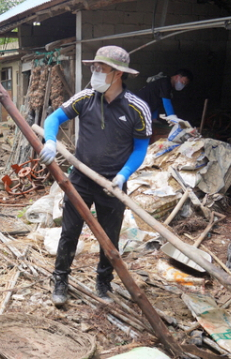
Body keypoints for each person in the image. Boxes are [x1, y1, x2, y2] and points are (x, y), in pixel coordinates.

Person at [40, 45, 151, 306]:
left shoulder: (137, 108)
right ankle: (61, 280)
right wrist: (50, 141)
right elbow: (54, 118)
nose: (96, 73)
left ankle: (103, 283)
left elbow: (140, 149)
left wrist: (124, 175)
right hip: (80, 179)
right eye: (95, 67)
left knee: (109, 238)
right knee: (69, 232)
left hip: (112, 184)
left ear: (118, 74)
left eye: (102, 69)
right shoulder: (86, 98)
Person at [135, 69, 193, 134]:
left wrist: (154, 119)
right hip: (137, 110)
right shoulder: (165, 82)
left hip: (143, 111)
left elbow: (156, 101)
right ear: (177, 77)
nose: (183, 85)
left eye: (185, 84)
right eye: (183, 82)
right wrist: (172, 117)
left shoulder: (168, 85)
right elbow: (166, 102)